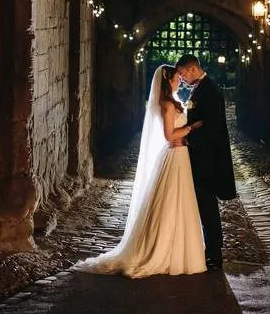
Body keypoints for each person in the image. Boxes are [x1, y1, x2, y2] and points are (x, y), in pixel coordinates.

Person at [73, 64, 207, 278]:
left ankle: (180, 251)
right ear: (168, 81)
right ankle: (163, 251)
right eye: (176, 78)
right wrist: (192, 128)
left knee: (181, 203)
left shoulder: (173, 101)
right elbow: (169, 135)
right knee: (171, 202)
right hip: (175, 154)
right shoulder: (167, 105)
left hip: (182, 156)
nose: (180, 80)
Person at [175, 54, 236, 271]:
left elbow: (212, 128)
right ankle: (208, 250)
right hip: (200, 159)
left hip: (207, 161)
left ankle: (214, 255)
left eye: (182, 74)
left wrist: (187, 139)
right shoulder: (201, 88)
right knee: (203, 207)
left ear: (192, 69)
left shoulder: (210, 90)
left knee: (208, 208)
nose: (181, 79)